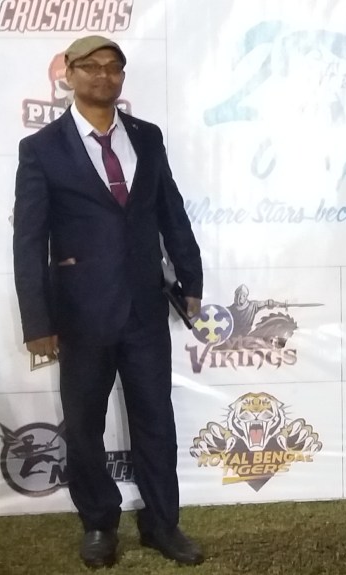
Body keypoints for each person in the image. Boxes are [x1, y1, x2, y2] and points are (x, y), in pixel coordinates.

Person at [13, 35, 204, 568]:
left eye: (114, 67)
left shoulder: (147, 136)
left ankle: (163, 524)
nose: (104, 75)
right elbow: (29, 240)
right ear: (69, 74)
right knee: (83, 425)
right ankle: (99, 523)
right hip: (80, 314)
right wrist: (37, 321)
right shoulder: (41, 148)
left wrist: (190, 277)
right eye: (91, 66)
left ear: (122, 76)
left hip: (145, 308)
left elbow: (170, 211)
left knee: (156, 420)